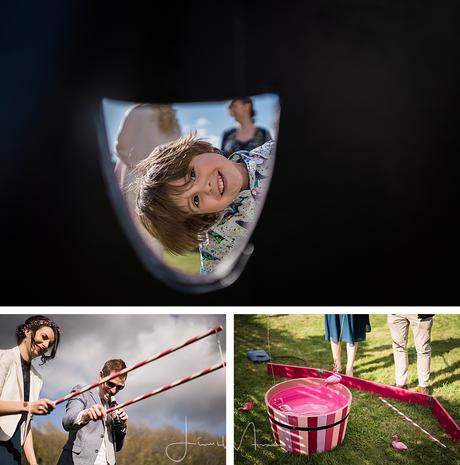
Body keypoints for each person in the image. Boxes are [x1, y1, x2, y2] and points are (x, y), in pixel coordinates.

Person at [132, 132, 275, 274]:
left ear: (201, 149)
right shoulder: (218, 248)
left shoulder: (273, 150)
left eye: (192, 174)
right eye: (196, 200)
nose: (205, 187)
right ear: (202, 217)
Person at [114, 103, 181, 256]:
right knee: (152, 230)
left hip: (131, 178)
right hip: (158, 184)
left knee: (128, 227)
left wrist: (137, 164)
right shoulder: (173, 121)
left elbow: (121, 147)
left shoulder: (136, 111)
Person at [0, 315, 61, 465]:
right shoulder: (4, 357)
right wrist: (28, 406)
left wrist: (33, 463)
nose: (46, 345)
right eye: (44, 337)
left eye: (50, 343)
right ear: (27, 331)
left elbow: (25, 425)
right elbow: (27, 409)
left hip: (14, 448)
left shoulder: (37, 379)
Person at [57, 359, 129, 465]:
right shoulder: (82, 392)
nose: (114, 391)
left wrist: (122, 427)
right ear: (101, 376)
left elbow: (117, 447)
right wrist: (86, 415)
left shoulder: (115, 407)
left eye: (119, 387)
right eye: (110, 384)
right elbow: (67, 421)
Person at [387, 314, 434, 395]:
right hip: (396, 312)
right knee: (398, 347)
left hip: (420, 312)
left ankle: (423, 387)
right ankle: (400, 384)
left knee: (423, 349)